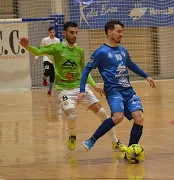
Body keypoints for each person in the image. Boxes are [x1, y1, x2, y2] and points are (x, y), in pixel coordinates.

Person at [19, 21, 127, 152]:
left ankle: (115, 142)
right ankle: (72, 134)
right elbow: (38, 51)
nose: (74, 35)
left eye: (76, 33)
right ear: (64, 33)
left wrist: (93, 86)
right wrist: (27, 46)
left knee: (102, 113)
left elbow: (84, 70)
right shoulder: (56, 48)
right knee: (72, 116)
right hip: (64, 89)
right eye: (71, 32)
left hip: (80, 87)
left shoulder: (79, 51)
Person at [78, 20, 156, 156]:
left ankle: (131, 152)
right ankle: (91, 140)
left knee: (139, 118)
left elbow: (131, 65)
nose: (122, 34)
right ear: (110, 32)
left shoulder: (123, 50)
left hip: (128, 91)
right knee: (118, 117)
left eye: (122, 32)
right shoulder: (101, 52)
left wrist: (146, 76)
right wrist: (82, 90)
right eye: (119, 31)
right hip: (113, 91)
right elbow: (86, 70)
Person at [34, 26, 60, 97]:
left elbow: (59, 51)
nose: (52, 33)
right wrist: (36, 56)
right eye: (51, 32)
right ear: (49, 33)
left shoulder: (57, 41)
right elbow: (40, 48)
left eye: (53, 32)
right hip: (46, 58)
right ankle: (44, 78)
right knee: (48, 71)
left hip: (54, 60)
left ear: (55, 32)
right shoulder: (45, 40)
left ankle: (49, 91)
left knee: (53, 76)